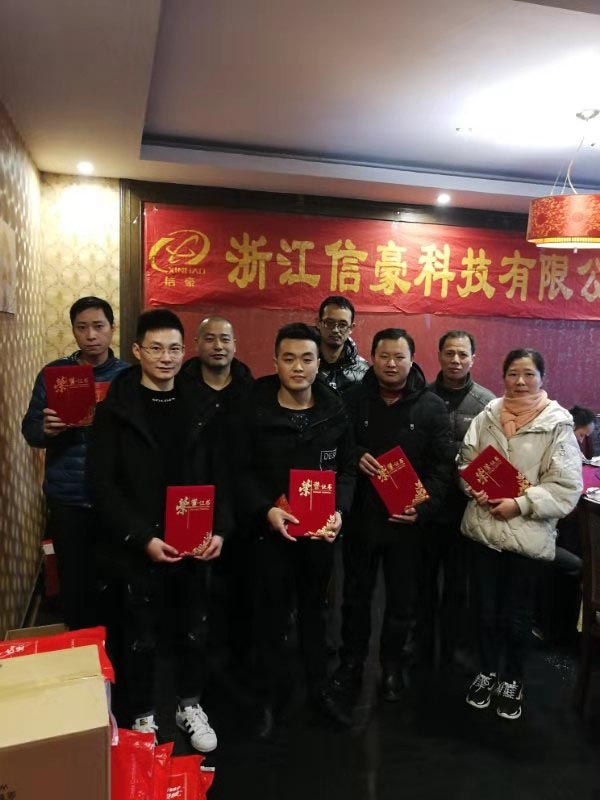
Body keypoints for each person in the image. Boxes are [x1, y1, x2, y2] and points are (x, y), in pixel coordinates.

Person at [88, 309, 232, 751]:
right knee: (139, 635)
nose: (166, 358)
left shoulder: (202, 406)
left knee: (193, 628)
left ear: (185, 351)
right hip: (139, 545)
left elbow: (223, 475)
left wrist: (220, 529)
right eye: (155, 348)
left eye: (174, 349)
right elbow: (102, 486)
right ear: (137, 351)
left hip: (193, 541)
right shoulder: (116, 410)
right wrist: (141, 537)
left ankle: (189, 704)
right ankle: (143, 714)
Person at [324, 328, 453, 722]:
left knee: (402, 602)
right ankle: (351, 662)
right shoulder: (351, 399)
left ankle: (392, 666)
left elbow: (443, 467)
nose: (391, 364)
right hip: (362, 520)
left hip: (407, 524)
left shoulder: (431, 407)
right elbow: (335, 449)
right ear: (373, 357)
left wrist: (424, 507)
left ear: (412, 359)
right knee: (355, 598)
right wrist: (357, 453)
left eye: (399, 356)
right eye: (384, 356)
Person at [239, 323, 356, 737]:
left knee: (317, 615)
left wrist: (340, 511)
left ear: (319, 362)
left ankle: (319, 692)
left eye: (307, 359)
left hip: (318, 536)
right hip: (269, 533)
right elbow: (240, 470)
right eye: (288, 358)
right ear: (275, 362)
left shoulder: (334, 409)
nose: (298, 367)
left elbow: (346, 469)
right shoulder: (253, 407)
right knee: (268, 617)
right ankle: (266, 698)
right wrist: (266, 509)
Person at [459, 348, 582, 720]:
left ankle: (512, 678)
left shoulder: (557, 424)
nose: (520, 381)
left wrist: (522, 503)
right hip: (483, 530)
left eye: (529, 374)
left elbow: (566, 487)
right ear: (504, 377)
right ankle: (486, 670)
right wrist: (472, 486)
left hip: (526, 535)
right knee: (483, 610)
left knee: (517, 615)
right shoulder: (487, 415)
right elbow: (466, 461)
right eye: (513, 373)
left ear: (542, 378)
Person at [21, 296, 128, 630]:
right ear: (73, 331)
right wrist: (46, 428)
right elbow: (30, 430)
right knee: (74, 580)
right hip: (68, 495)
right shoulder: (55, 373)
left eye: (98, 326)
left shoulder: (128, 376)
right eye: (82, 328)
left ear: (112, 329)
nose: (91, 335)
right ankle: (80, 641)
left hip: (115, 496)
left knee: (114, 577)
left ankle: (114, 643)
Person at [181, 316, 254, 669]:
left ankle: (233, 652)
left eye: (225, 339)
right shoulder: (179, 387)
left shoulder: (249, 389)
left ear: (235, 344)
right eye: (209, 338)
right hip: (192, 494)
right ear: (197, 344)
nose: (218, 346)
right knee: (190, 583)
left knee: (237, 578)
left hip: (239, 495)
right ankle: (192, 656)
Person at [423, 330, 495, 668]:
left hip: (467, 510)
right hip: (427, 508)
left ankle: (452, 650)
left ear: (473, 359)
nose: (456, 360)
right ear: (439, 355)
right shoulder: (422, 397)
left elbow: (494, 456)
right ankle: (421, 646)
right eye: (449, 353)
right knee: (421, 583)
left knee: (458, 585)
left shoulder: (487, 403)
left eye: (463, 354)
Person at [315, 295, 368, 395]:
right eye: (329, 323)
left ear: (351, 328)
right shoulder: (306, 363)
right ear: (318, 323)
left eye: (342, 325)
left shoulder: (364, 370)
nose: (335, 330)